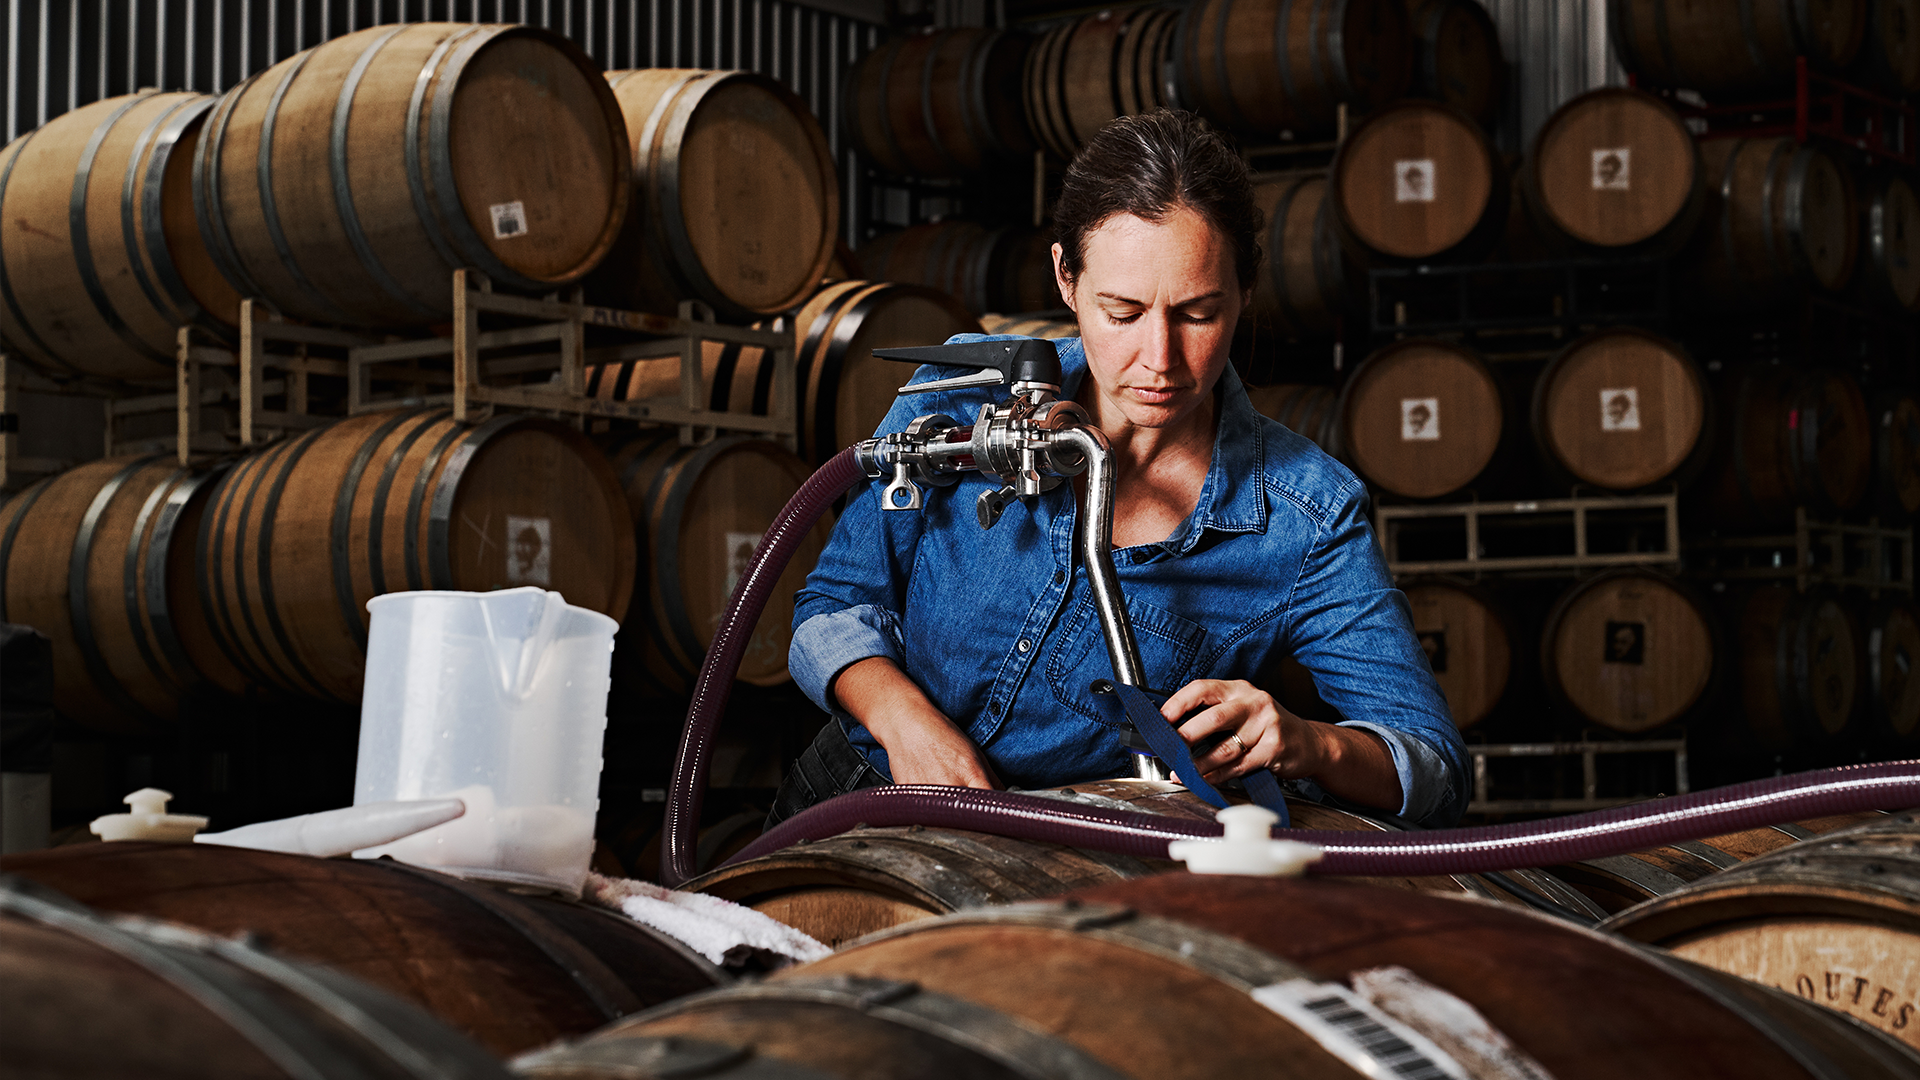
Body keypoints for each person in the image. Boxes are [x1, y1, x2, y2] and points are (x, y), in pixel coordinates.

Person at [774, 109, 1467, 828]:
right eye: (1122, 311)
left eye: (1198, 314)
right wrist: (905, 721)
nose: (1160, 361)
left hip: (1061, 855)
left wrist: (1310, 744)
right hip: (851, 794)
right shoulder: (962, 399)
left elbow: (1436, 770)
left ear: (1246, 292)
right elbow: (832, 601)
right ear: (1065, 278)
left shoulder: (1306, 516)